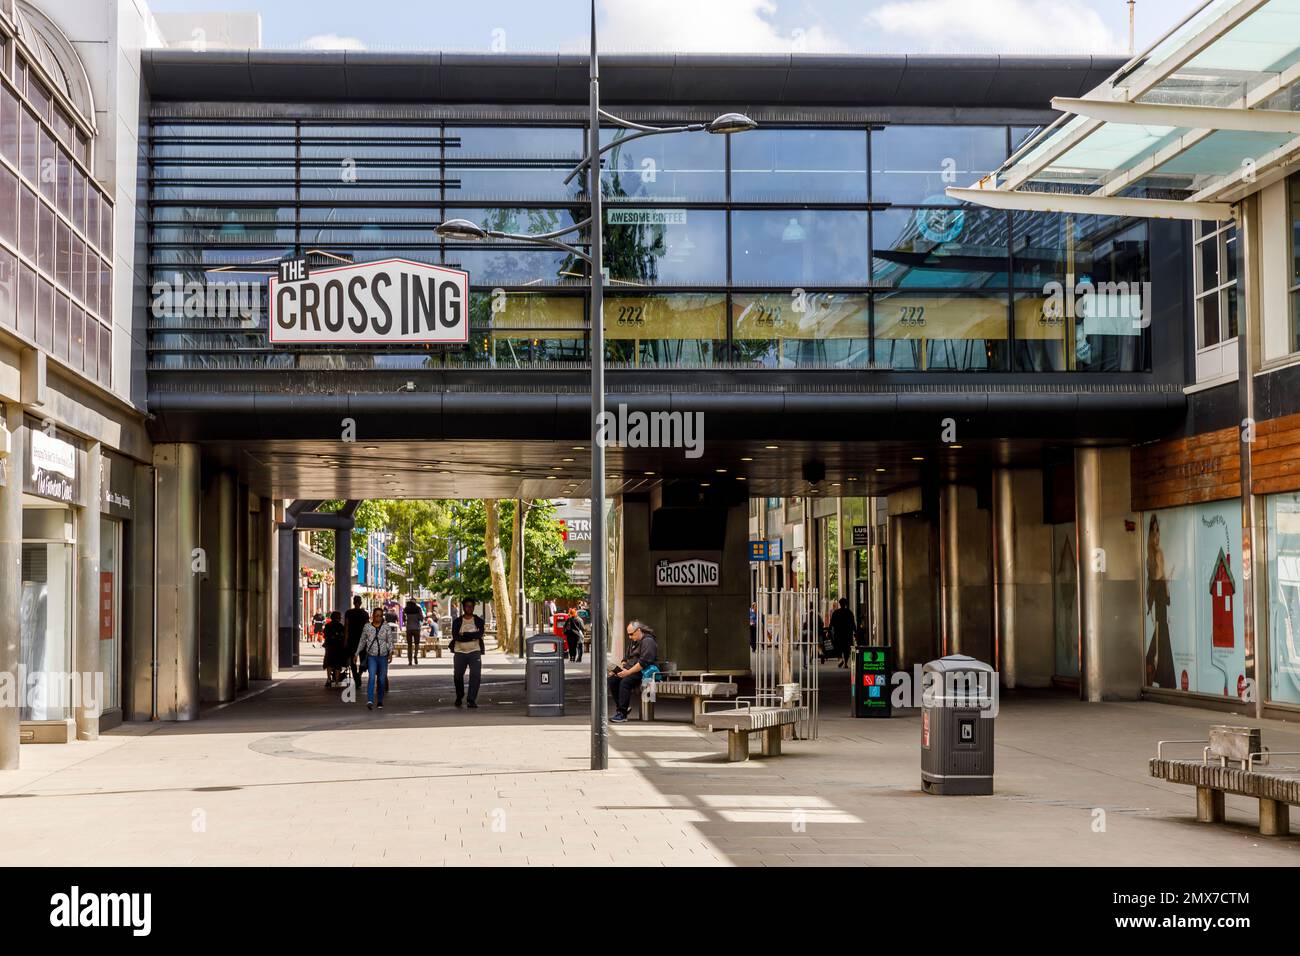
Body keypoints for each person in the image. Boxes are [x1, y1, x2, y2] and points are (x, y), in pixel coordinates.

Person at [607, 620, 658, 723]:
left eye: (631, 634)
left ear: (638, 630)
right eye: (628, 634)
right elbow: (625, 659)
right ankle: (622, 707)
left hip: (643, 672)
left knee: (625, 682)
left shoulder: (648, 641)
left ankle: (622, 713)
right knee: (612, 680)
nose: (630, 637)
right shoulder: (634, 642)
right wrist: (619, 670)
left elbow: (644, 662)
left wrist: (628, 672)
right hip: (630, 670)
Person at [357, 607, 396, 710]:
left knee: (382, 679)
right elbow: (362, 641)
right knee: (371, 678)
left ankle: (379, 700)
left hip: (383, 657)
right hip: (372, 656)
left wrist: (391, 652)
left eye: (380, 615)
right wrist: (356, 653)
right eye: (376, 615)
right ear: (372, 616)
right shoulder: (367, 627)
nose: (378, 617)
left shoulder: (386, 627)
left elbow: (390, 641)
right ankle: (370, 700)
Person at [450, 598, 486, 708]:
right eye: (467, 606)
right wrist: (471, 636)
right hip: (459, 652)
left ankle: (471, 699)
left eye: (471, 606)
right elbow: (456, 637)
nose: (469, 608)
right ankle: (459, 695)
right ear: (463, 607)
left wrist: (464, 635)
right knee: (458, 676)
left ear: (473, 607)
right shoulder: (457, 621)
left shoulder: (479, 621)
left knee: (476, 675)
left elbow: (479, 635)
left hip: (475, 651)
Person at [343, 595, 369, 690]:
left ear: (353, 602)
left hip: (352, 639)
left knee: (353, 659)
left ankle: (356, 677)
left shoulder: (348, 613)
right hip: (362, 639)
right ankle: (359, 674)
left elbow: (346, 627)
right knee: (363, 658)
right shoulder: (365, 614)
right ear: (360, 602)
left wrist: (345, 640)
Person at [322, 611, 347, 688]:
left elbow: (325, 635)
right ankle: (336, 681)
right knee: (337, 664)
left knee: (329, 663)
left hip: (329, 647)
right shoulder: (341, 626)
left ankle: (329, 679)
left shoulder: (327, 626)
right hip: (338, 647)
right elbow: (343, 636)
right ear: (338, 618)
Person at [829, 597, 856, 668]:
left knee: (838, 647)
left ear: (840, 604)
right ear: (846, 604)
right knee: (846, 648)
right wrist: (855, 632)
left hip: (838, 633)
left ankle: (840, 659)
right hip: (847, 633)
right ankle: (846, 663)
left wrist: (828, 631)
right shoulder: (849, 612)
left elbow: (831, 623)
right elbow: (853, 623)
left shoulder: (836, 612)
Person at [403, 596, 425, 665]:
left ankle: (410, 660)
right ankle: (415, 655)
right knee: (417, 643)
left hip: (409, 628)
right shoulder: (418, 609)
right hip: (416, 628)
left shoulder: (406, 609)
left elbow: (404, 619)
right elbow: (421, 618)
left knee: (409, 645)